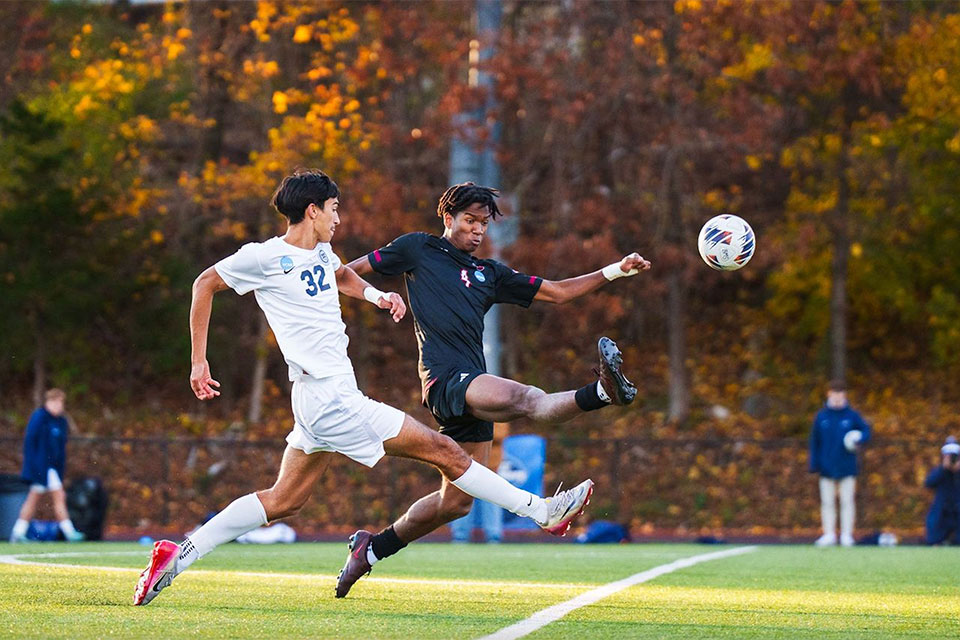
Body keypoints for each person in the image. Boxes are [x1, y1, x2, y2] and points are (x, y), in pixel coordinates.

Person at [132, 169, 594, 606]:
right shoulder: (264, 257)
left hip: (316, 399)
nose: (339, 217)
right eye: (333, 208)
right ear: (312, 210)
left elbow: (341, 275)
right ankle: (541, 511)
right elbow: (203, 284)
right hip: (332, 399)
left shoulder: (320, 254)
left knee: (285, 499)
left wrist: (380, 296)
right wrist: (198, 361)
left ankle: (178, 554)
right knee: (447, 452)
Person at [337, 182, 650, 597]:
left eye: (484, 223)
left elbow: (556, 292)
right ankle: (602, 393)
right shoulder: (417, 248)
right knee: (524, 399)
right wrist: (374, 297)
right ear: (447, 219)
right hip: (445, 380)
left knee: (456, 503)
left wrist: (614, 271)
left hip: (472, 384)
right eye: (470, 220)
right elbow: (344, 272)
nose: (479, 230)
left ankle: (371, 549)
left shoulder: (490, 273)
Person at [10, 388, 85, 543]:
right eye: (56, 402)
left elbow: (60, 448)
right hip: (40, 469)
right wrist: (34, 468)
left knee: (39, 498)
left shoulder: (61, 421)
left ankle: (18, 532)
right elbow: (30, 443)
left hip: (52, 469)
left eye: (61, 403)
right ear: (48, 402)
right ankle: (69, 532)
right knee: (57, 497)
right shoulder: (39, 417)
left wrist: (59, 469)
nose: (59, 406)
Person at [809, 380, 871, 547]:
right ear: (829, 394)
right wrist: (814, 463)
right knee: (827, 502)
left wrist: (860, 438)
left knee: (847, 501)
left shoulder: (852, 415)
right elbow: (814, 441)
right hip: (826, 467)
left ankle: (846, 535)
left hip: (847, 466)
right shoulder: (821, 416)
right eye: (834, 394)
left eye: (840, 394)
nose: (837, 398)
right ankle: (829, 534)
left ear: (844, 395)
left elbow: (866, 431)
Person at [924, 436, 960, 546]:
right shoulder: (940, 470)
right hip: (942, 509)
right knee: (934, 523)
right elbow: (929, 483)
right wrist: (943, 469)